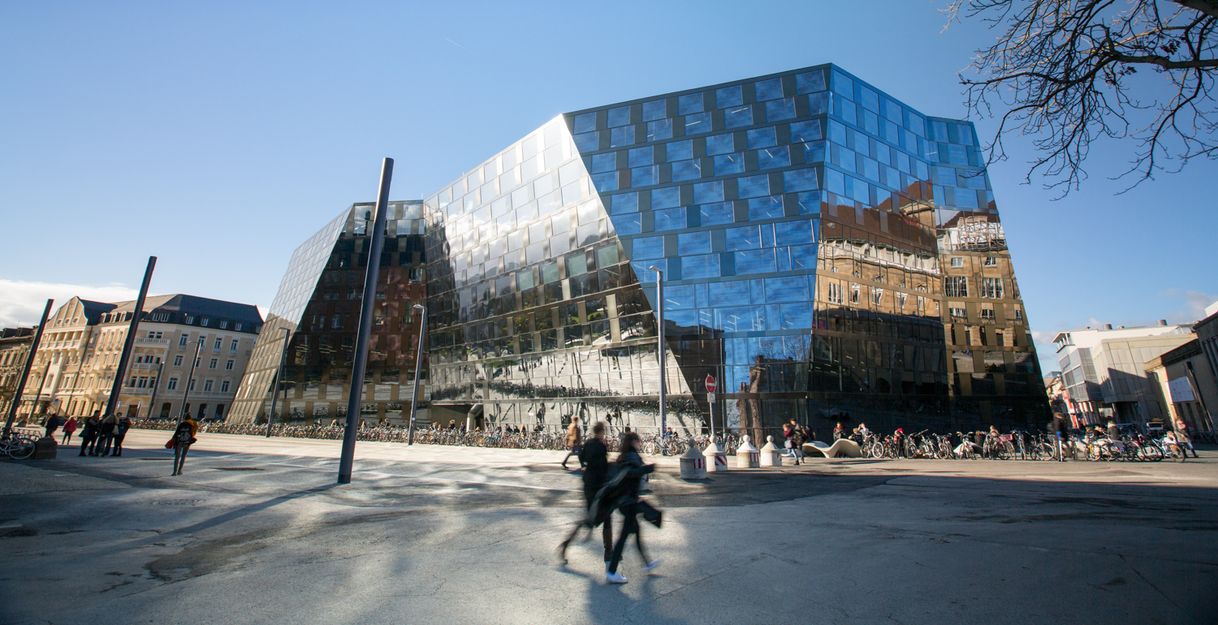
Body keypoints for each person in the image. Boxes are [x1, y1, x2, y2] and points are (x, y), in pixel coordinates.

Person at [602, 432, 660, 584]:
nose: (640, 443)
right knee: (622, 539)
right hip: (629, 502)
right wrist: (648, 469)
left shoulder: (624, 455)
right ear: (633, 441)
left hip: (626, 501)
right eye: (638, 440)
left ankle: (647, 563)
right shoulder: (631, 456)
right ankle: (612, 571)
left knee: (635, 532)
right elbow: (631, 473)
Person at [557, 421, 613, 568]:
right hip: (597, 486)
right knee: (599, 518)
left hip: (588, 484)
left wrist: (585, 467)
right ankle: (608, 552)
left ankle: (608, 551)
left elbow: (582, 457)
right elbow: (603, 467)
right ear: (601, 432)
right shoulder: (600, 446)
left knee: (596, 518)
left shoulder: (588, 443)